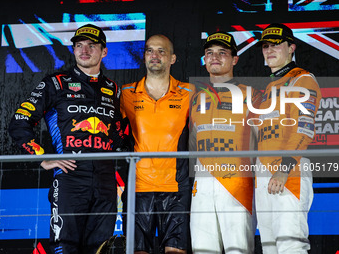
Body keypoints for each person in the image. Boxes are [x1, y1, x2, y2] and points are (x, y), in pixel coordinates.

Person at [9, 24, 126, 254]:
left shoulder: (113, 90)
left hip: (105, 181)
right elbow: (20, 121)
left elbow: (121, 133)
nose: (84, 50)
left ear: (104, 52)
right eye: (79, 45)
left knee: (100, 249)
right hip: (70, 178)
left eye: (91, 46)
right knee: (65, 248)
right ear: (73, 50)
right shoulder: (56, 83)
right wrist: (42, 158)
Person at [189, 31, 261, 253]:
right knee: (202, 249)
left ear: (235, 59)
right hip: (201, 184)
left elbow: (264, 142)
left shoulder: (252, 94)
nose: (215, 57)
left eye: (222, 53)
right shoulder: (194, 96)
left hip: (237, 185)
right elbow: (191, 142)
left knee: (237, 250)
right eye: (209, 53)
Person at [120, 34, 192, 254]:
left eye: (161, 51)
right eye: (150, 50)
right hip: (138, 187)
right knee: (138, 251)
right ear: (144, 57)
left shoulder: (190, 92)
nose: (155, 55)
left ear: (172, 58)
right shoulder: (126, 93)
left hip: (176, 188)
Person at [255, 23, 322, 253]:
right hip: (264, 173)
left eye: (276, 45)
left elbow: (303, 129)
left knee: (290, 245)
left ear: (292, 47)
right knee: (270, 247)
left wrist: (284, 168)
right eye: (265, 46)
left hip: (288, 171)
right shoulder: (270, 86)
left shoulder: (302, 80)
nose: (269, 50)